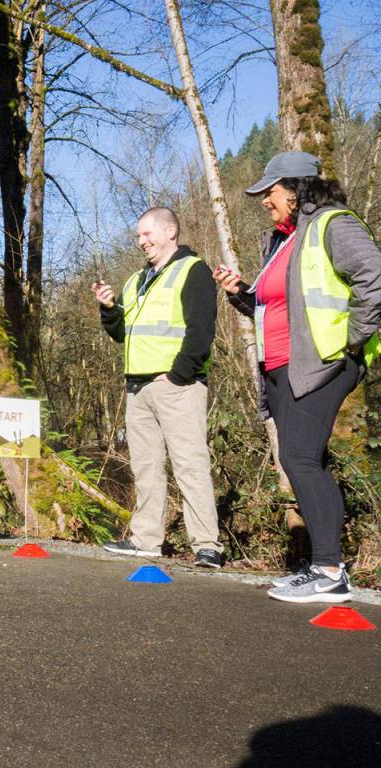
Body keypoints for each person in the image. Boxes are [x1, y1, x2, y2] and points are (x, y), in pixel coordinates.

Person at [214, 151, 381, 603]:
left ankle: (329, 571)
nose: (265, 201)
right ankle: (322, 566)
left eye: (269, 191)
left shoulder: (333, 223)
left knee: (302, 458)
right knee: (298, 460)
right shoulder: (281, 241)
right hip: (284, 366)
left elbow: (374, 277)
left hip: (324, 361)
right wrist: (241, 295)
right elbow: (274, 308)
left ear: (295, 187)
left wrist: (353, 338)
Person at [93, 207, 224, 568]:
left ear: (170, 231)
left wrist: (178, 374)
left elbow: (201, 331)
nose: (141, 241)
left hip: (177, 385)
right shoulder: (136, 280)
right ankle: (146, 540)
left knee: (189, 464)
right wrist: (108, 309)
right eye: (138, 236)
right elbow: (122, 334)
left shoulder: (193, 270)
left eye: (147, 234)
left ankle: (207, 545)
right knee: (146, 467)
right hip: (137, 388)